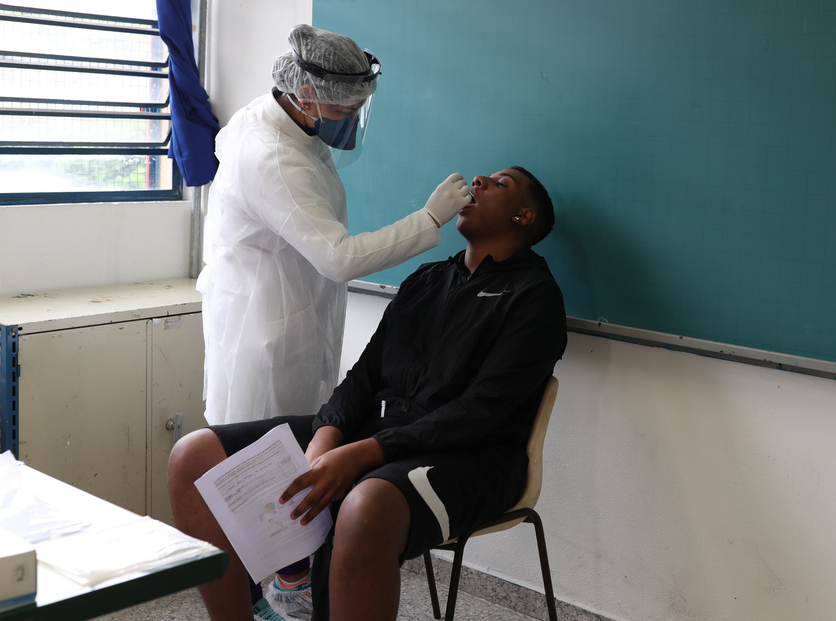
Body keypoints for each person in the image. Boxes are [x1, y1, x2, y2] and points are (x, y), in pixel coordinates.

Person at [169, 166, 566, 621]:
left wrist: (362, 454)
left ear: (523, 217)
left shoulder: (535, 296)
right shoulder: (427, 280)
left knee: (365, 505)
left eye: (500, 184)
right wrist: (327, 434)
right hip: (381, 433)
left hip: (473, 455)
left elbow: (478, 413)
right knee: (192, 457)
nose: (478, 182)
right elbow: (365, 374)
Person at [198, 24, 472, 427]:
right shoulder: (273, 159)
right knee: (263, 449)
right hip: (267, 332)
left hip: (290, 308)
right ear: (306, 94)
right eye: (344, 111)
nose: (352, 119)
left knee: (291, 442)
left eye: (358, 108)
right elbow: (339, 258)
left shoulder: (289, 119)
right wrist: (428, 219)